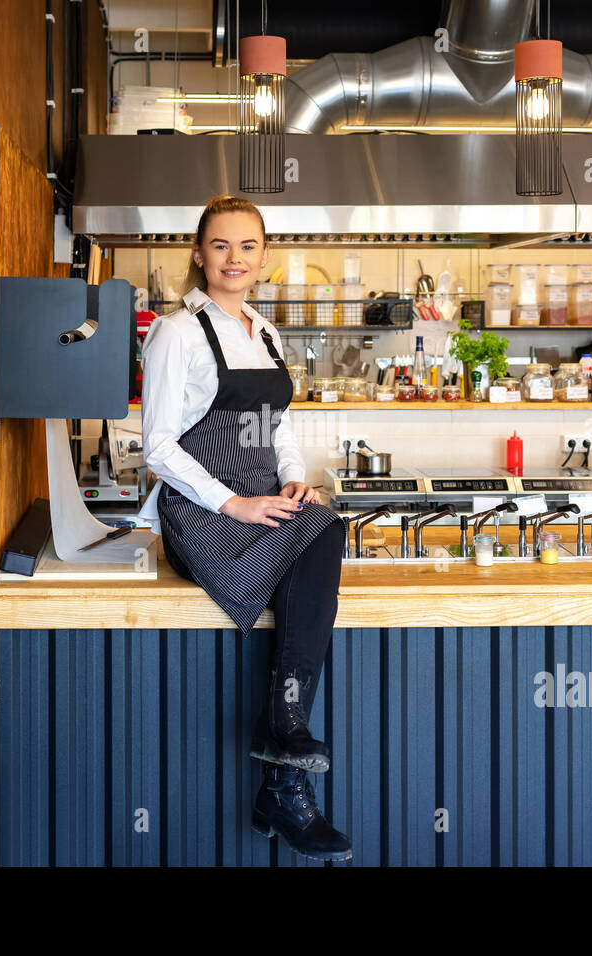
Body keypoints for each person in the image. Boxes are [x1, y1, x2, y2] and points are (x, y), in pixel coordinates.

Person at [138, 195, 351, 863]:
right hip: (202, 514)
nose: (234, 258)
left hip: (260, 506)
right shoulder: (176, 332)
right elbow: (158, 447)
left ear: (264, 257)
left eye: (248, 246)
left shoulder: (266, 332)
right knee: (322, 534)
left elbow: (279, 430)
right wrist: (233, 503)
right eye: (220, 245)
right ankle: (283, 758)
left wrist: (293, 481)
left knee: (318, 522)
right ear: (199, 254)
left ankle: (283, 762)